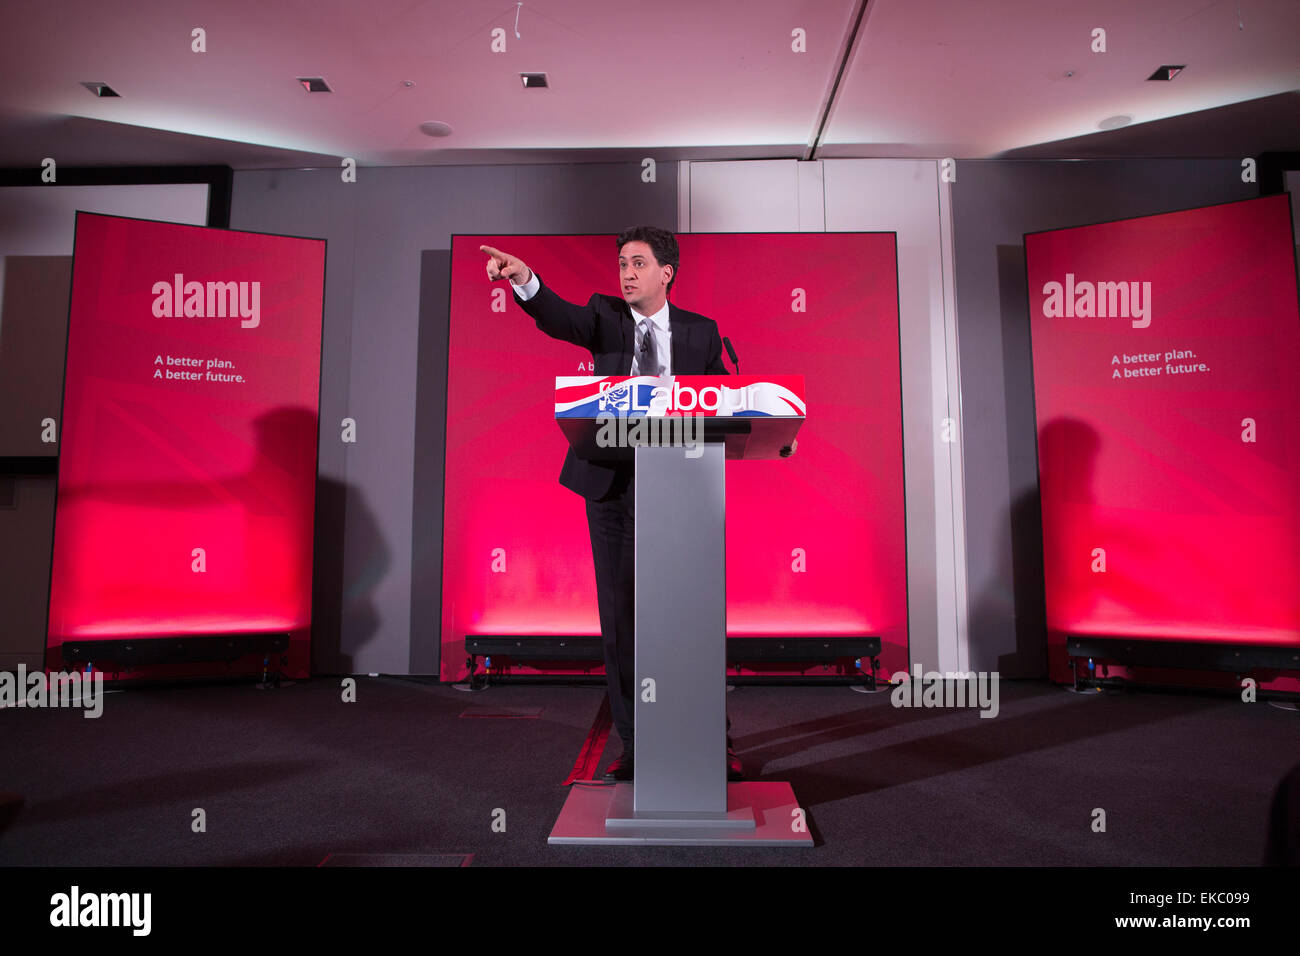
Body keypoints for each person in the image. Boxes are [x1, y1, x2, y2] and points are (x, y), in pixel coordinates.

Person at [481, 226, 742, 783]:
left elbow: (728, 404)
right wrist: (523, 278)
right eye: (622, 262)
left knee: (688, 617)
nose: (626, 272)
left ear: (666, 273)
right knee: (621, 619)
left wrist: (760, 419)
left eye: (638, 263)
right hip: (613, 489)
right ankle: (636, 742)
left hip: (679, 490)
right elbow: (557, 316)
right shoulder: (604, 316)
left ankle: (705, 739)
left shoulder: (701, 333)